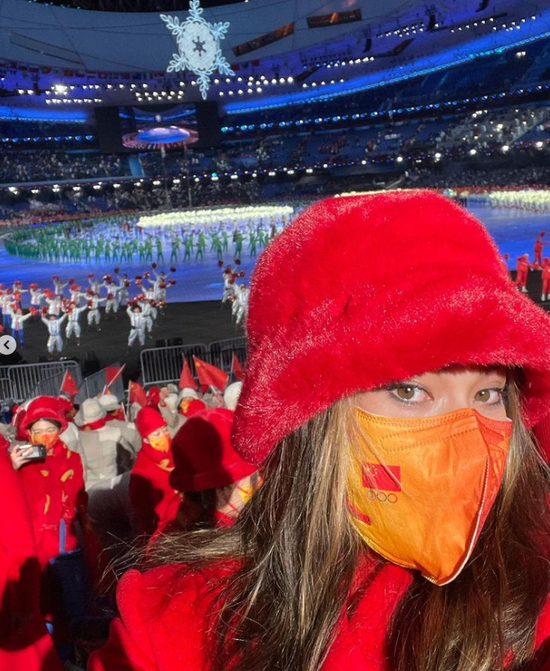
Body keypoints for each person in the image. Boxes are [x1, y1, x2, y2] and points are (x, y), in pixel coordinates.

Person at [90, 191, 550, 671]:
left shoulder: (537, 588)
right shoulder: (177, 623)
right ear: (314, 415)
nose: (464, 433)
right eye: (409, 391)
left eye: (488, 394)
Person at [128, 408, 179, 537]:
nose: (164, 436)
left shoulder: (179, 452)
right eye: (156, 434)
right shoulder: (141, 471)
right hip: (167, 533)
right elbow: (145, 514)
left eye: (165, 430)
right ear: (145, 439)